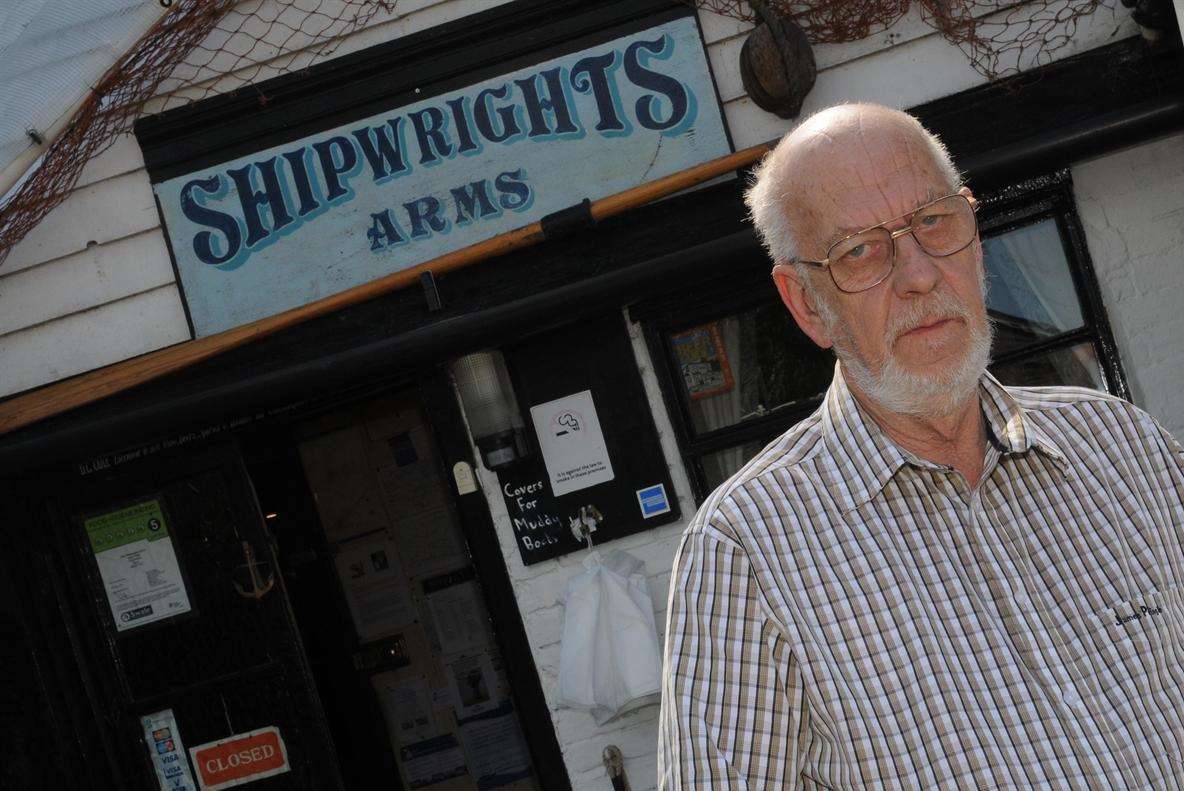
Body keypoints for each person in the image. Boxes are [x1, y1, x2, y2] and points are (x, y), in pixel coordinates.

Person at [657, 103, 1184, 789]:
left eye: (936, 222)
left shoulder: (1121, 446)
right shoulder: (747, 552)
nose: (920, 273)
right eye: (860, 251)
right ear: (807, 303)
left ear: (974, 232)